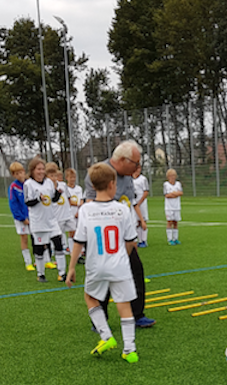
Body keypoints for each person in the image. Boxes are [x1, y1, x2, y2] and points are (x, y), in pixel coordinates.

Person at [66, 162, 139, 363]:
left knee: (90, 297)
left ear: (92, 185)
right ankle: (130, 350)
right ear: (112, 184)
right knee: (124, 305)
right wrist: (123, 256)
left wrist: (71, 268)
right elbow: (131, 241)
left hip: (96, 265)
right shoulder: (122, 209)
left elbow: (79, 241)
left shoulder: (86, 210)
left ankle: (106, 336)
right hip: (120, 266)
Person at [84, 140, 155, 328]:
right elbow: (89, 206)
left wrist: (133, 231)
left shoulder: (128, 176)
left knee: (136, 271)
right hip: (104, 239)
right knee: (104, 278)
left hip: (125, 237)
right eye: (136, 163)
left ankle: (137, 315)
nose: (138, 168)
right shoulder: (99, 172)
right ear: (123, 160)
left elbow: (128, 204)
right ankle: (99, 320)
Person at [23, 158, 65, 282]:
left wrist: (58, 194)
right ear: (32, 170)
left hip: (51, 220)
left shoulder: (49, 182)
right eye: (38, 169)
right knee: (40, 248)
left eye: (42, 169)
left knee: (58, 244)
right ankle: (40, 274)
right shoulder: (28, 184)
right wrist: (38, 199)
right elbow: (27, 202)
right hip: (38, 222)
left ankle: (62, 273)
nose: (41, 171)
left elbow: (53, 199)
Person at [8, 162, 34, 272]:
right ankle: (28, 262)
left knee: (36, 237)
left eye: (21, 172)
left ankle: (40, 259)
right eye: (16, 173)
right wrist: (22, 218)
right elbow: (13, 204)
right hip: (21, 219)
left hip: (33, 216)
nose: (20, 175)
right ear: (13, 175)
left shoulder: (29, 183)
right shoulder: (13, 187)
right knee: (24, 238)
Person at [46, 164, 76, 256]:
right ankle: (53, 250)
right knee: (58, 235)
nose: (54, 178)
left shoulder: (63, 185)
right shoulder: (47, 188)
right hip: (57, 216)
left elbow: (68, 197)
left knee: (75, 230)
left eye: (55, 175)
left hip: (68, 214)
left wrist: (69, 208)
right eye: (51, 176)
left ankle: (73, 251)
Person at [66, 168, 85, 263]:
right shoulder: (65, 189)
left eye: (74, 177)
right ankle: (72, 251)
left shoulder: (79, 189)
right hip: (69, 213)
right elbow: (69, 202)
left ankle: (81, 251)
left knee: (79, 231)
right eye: (71, 177)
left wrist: (79, 210)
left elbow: (81, 200)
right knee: (72, 232)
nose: (72, 179)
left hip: (78, 213)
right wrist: (78, 204)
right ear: (67, 178)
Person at [163, 169, 183, 245]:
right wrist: (175, 194)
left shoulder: (178, 184)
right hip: (169, 207)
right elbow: (167, 195)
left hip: (176, 206)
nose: (172, 177)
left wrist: (174, 194)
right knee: (169, 222)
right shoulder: (166, 184)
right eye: (171, 176)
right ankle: (170, 239)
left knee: (175, 222)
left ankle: (175, 238)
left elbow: (180, 193)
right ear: (168, 177)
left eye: (174, 175)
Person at [132, 164, 150, 248]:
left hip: (141, 203)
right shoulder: (129, 179)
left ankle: (144, 240)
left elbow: (146, 191)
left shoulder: (143, 179)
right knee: (136, 222)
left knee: (143, 220)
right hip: (132, 203)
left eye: (138, 168)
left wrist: (139, 202)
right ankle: (139, 240)